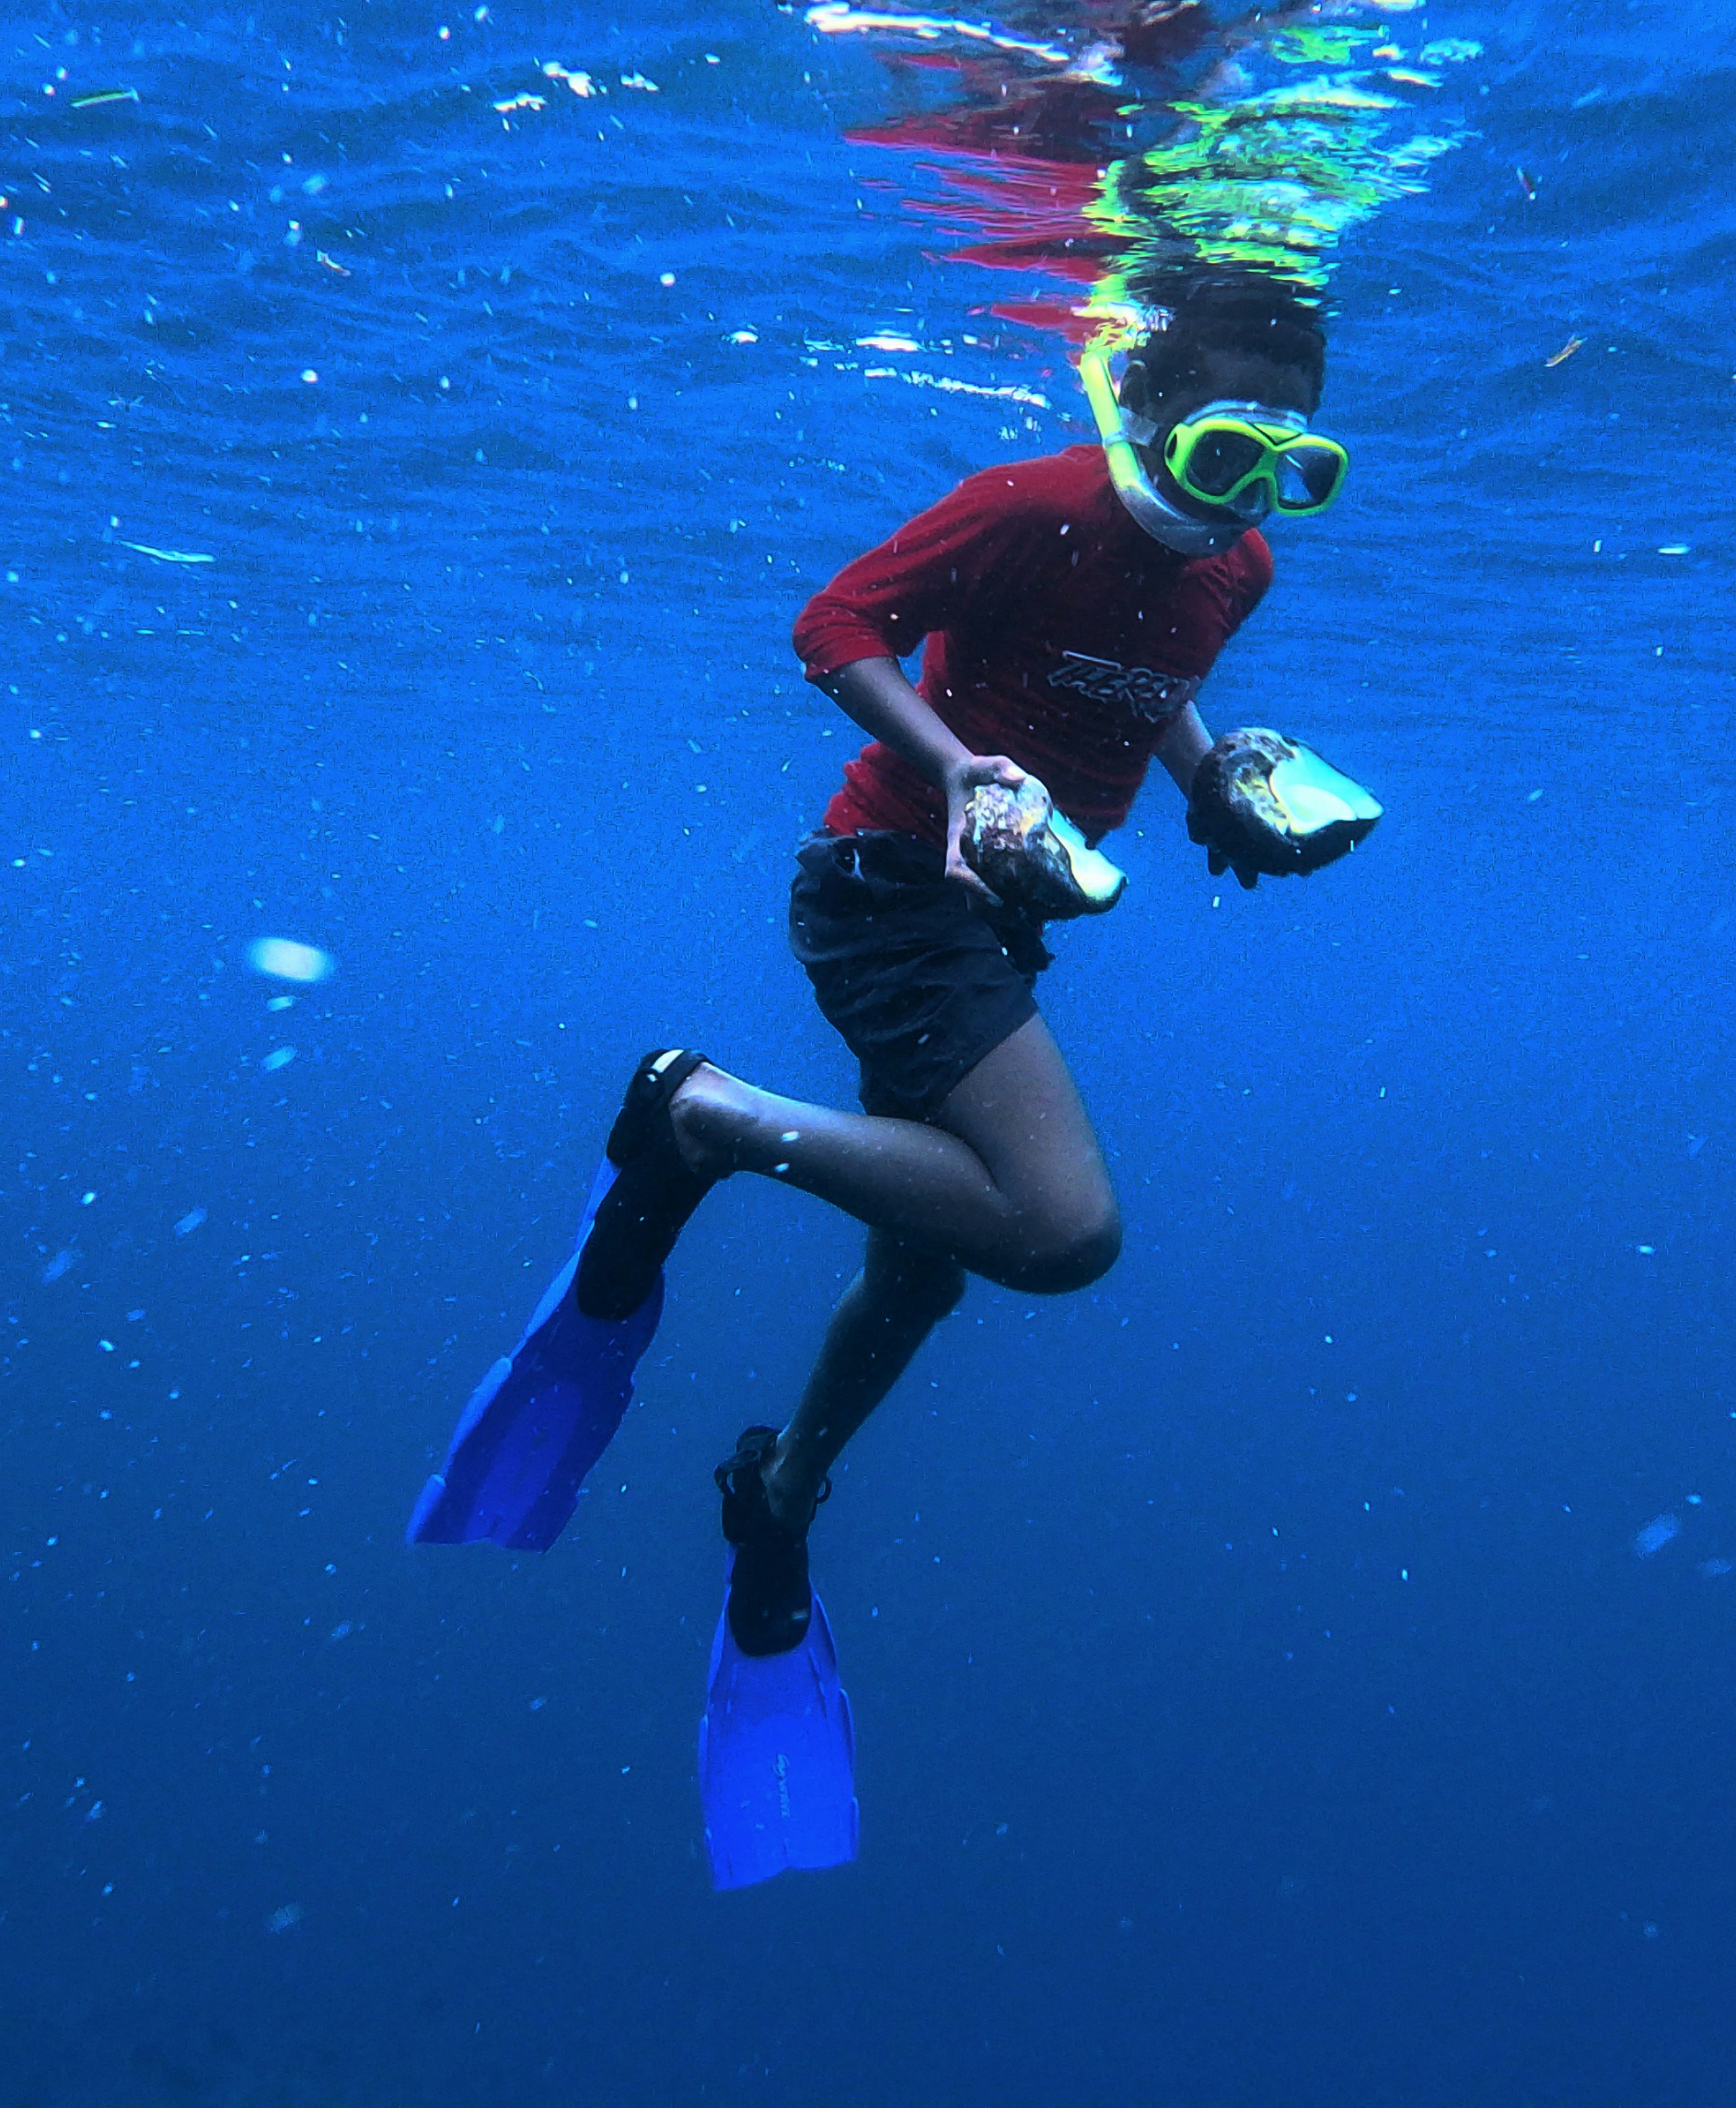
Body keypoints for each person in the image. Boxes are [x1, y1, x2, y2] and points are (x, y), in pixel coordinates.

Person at [568, 265, 1372, 1659]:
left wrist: (1210, 783)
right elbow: (832, 627)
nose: (1249, 497)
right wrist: (953, 770)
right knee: (1061, 1234)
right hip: (887, 894)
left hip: (1000, 922)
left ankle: (782, 1492)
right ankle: (698, 1119)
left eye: (1290, 466)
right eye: (1224, 453)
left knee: (927, 1270)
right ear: (1146, 409)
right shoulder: (1032, 506)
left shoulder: (1236, 568)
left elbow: (1152, 677)